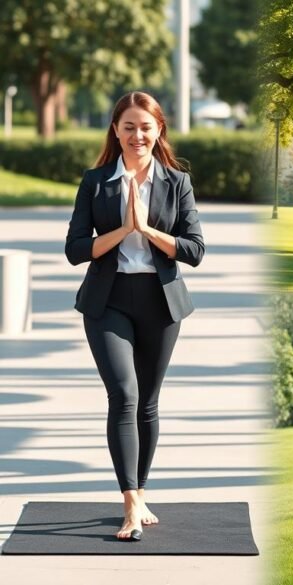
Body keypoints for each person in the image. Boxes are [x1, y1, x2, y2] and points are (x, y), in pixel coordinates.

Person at [64, 91, 205, 541]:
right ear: (116, 130)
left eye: (146, 127)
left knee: (147, 402)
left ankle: (141, 492)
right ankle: (129, 505)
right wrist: (123, 229)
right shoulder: (96, 181)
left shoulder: (177, 182)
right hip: (107, 302)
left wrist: (147, 230)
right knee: (123, 394)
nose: (137, 135)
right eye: (129, 127)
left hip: (161, 303)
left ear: (159, 129)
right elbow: (74, 250)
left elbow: (195, 250)